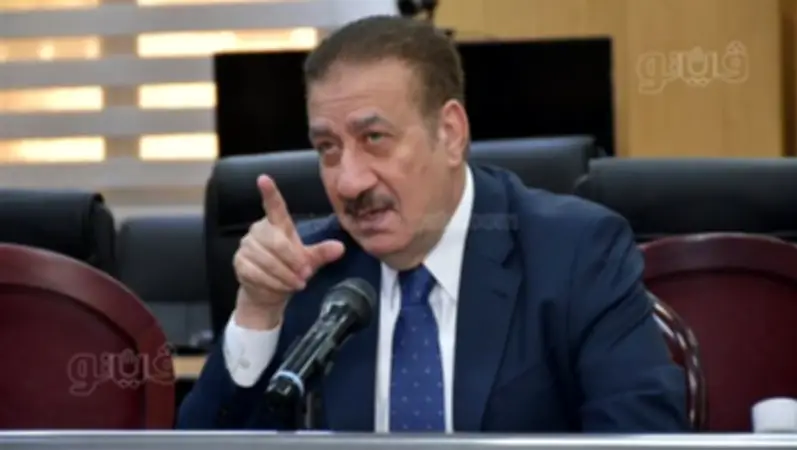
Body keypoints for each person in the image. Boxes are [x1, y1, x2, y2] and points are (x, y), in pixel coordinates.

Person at [178, 15, 688, 432]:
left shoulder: (575, 253)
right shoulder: (305, 273)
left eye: (374, 138)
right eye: (328, 148)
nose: (349, 182)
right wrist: (258, 314)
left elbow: (641, 438)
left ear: (450, 134)